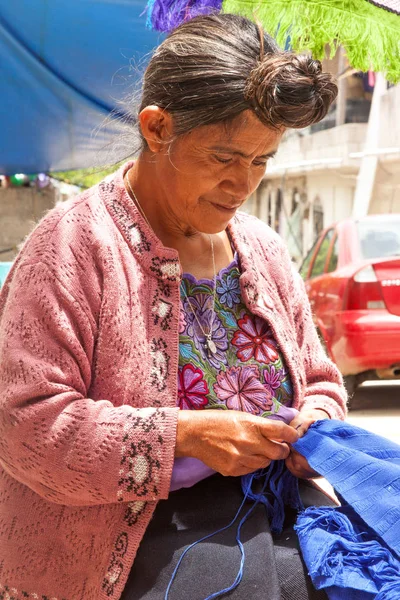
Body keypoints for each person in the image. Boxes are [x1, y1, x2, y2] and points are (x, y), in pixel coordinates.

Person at [0, 13, 346, 600]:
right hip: (124, 548)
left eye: (261, 162)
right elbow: (26, 427)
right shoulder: (72, 246)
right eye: (225, 157)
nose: (243, 186)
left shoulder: (261, 247)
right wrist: (182, 436)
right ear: (158, 128)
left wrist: (318, 423)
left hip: (277, 518)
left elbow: (319, 379)